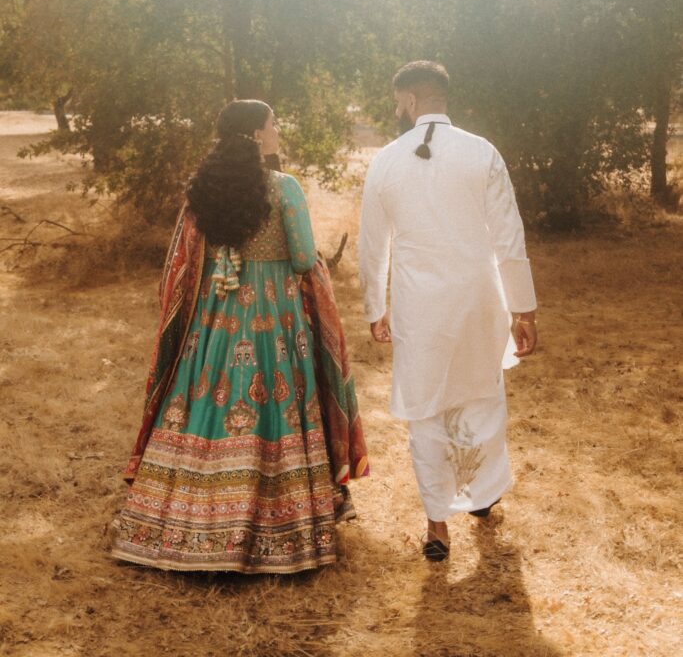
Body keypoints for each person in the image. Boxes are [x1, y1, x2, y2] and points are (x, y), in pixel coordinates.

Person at [111, 99, 368, 574]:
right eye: (273, 124)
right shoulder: (284, 188)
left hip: (214, 316)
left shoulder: (202, 193)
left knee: (205, 401)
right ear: (255, 134)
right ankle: (278, 521)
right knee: (276, 405)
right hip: (274, 317)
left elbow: (185, 263)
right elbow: (301, 257)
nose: (277, 130)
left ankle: (178, 514)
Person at [358, 61, 537, 562]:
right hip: (480, 299)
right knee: (481, 395)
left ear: (411, 100)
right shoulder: (482, 152)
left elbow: (373, 245)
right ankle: (480, 495)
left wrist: (376, 306)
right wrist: (523, 307)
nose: (397, 110)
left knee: (426, 405)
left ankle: (437, 524)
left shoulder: (387, 160)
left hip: (420, 305)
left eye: (398, 102)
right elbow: (508, 235)